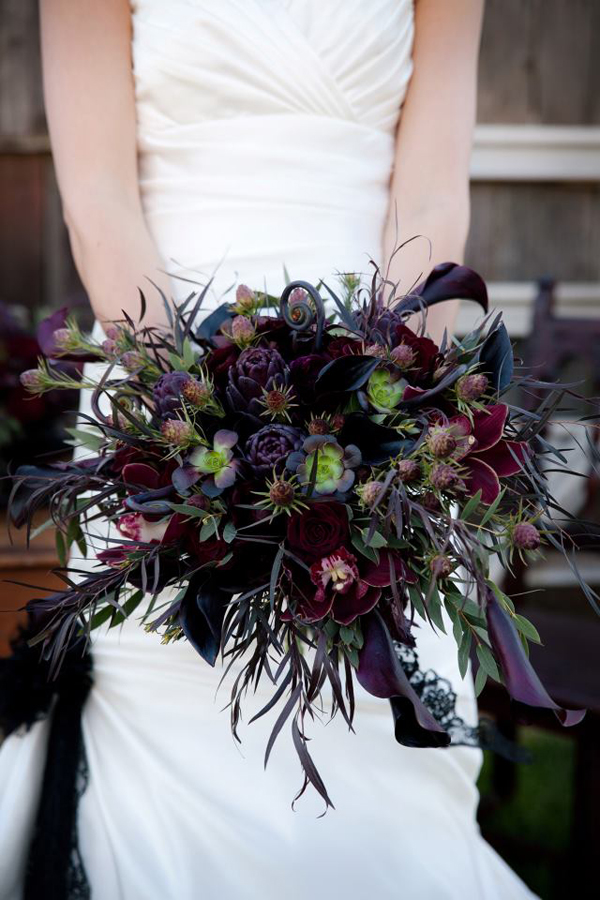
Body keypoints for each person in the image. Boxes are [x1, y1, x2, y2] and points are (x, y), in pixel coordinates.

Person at [0, 1, 539, 898]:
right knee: (173, 719)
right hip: (162, 392)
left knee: (378, 760)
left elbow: (433, 194)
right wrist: (180, 406)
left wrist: (393, 403)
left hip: (378, 394)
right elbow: (98, 197)